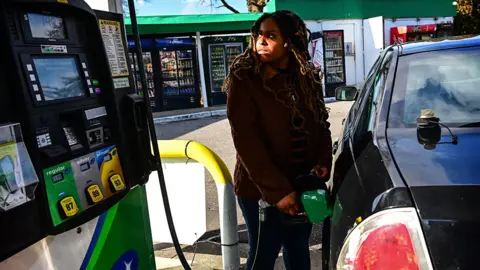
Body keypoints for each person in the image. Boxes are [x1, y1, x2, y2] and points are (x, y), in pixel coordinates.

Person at [223, 10, 333, 270]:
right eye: (258, 35)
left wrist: (322, 160)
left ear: (290, 40)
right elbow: (246, 142)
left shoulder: (307, 76)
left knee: (297, 248)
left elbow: (321, 124)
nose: (261, 41)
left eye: (270, 35)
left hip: (303, 183)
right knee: (263, 254)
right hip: (261, 190)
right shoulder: (244, 79)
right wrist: (279, 192)